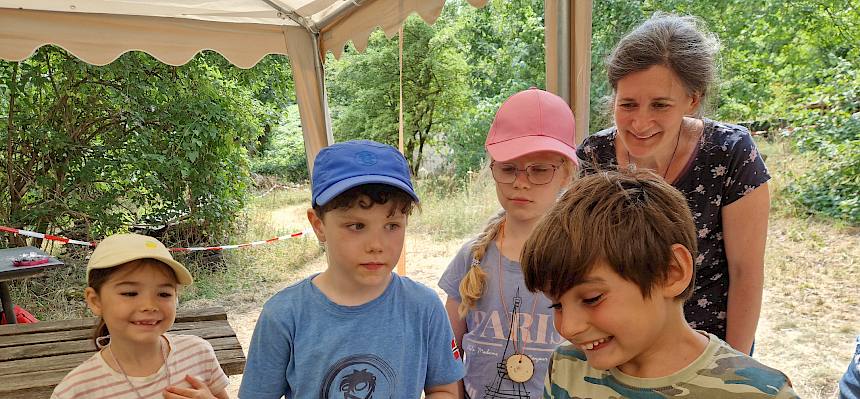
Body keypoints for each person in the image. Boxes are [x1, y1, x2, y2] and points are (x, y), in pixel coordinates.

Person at [577, 13, 770, 354]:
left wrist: (734, 367)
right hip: (619, 344)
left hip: (706, 344)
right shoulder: (594, 156)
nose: (640, 121)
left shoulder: (730, 154)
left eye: (660, 105)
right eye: (628, 104)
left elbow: (746, 274)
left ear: (692, 100)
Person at [520, 169, 796, 398]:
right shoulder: (566, 367)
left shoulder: (762, 393)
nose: (569, 327)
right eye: (556, 304)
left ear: (671, 272)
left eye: (592, 298)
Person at [239, 140, 464, 399]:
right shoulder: (283, 316)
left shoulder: (424, 307)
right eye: (357, 226)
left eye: (392, 225)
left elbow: (444, 390)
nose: (377, 245)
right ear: (318, 224)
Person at [438, 88, 577, 398]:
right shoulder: (472, 258)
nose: (521, 181)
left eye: (540, 169)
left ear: (566, 174)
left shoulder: (581, 259)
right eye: (508, 168)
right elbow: (448, 351)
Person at [52, 234, 229, 399]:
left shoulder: (198, 353)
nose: (149, 306)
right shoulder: (76, 390)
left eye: (164, 294)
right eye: (130, 293)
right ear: (95, 301)